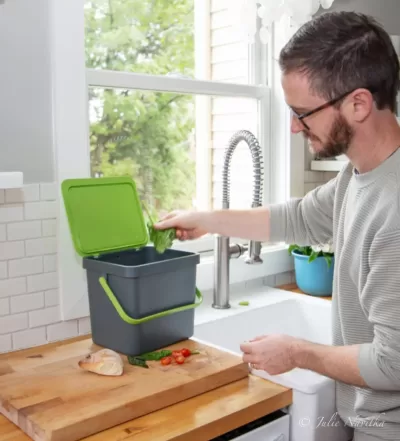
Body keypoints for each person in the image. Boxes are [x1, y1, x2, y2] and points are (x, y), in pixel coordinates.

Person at [154, 10, 400, 441]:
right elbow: (298, 218)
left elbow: (392, 363)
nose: (292, 126)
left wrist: (296, 351)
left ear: (358, 103)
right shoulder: (359, 175)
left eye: (302, 112)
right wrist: (207, 219)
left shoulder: (395, 210)